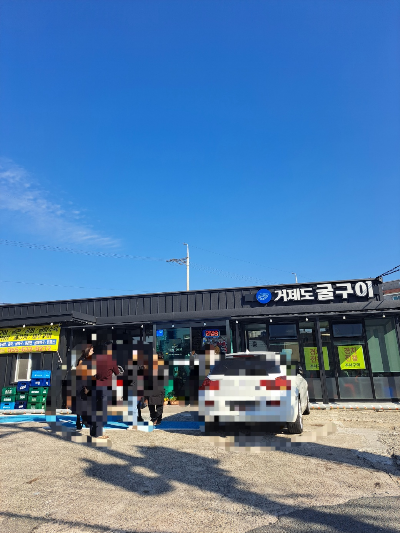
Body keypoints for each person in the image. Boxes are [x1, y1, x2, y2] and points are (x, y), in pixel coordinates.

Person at [90, 341, 120, 439]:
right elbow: (117, 372)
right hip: (105, 387)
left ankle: (93, 431)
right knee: (101, 411)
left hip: (95, 386)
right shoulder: (111, 360)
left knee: (95, 409)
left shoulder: (95, 359)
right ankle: (99, 433)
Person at [75, 345, 94, 430]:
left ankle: (85, 420)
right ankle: (79, 420)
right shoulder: (82, 360)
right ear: (87, 351)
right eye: (91, 351)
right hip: (81, 384)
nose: (93, 352)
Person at [146, 353, 166, 426]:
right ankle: (158, 419)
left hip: (152, 388)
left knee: (151, 404)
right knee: (159, 405)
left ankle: (154, 418)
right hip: (159, 388)